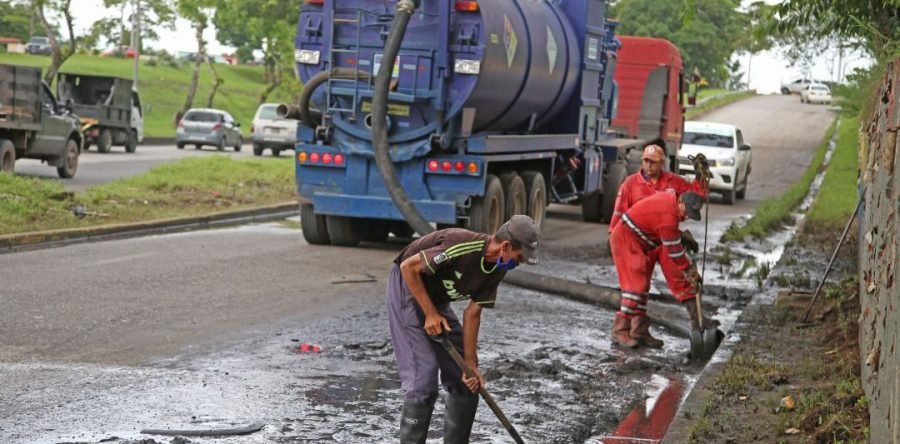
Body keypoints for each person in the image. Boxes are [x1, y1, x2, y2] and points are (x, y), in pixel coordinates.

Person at [387, 215, 541, 443]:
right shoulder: (460, 244)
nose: (517, 263)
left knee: (468, 380)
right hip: (407, 290)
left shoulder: (497, 269)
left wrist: (471, 365)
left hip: (435, 299)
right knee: (423, 380)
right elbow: (408, 267)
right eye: (519, 258)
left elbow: (472, 313)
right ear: (506, 246)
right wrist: (430, 313)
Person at [607, 143, 709, 348]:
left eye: (653, 162)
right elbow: (619, 213)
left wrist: (702, 179)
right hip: (637, 240)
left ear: (662, 163)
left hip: (656, 241)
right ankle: (622, 330)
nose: (648, 165)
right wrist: (612, 237)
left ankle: (642, 330)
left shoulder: (673, 184)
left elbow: (696, 197)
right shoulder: (631, 183)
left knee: (653, 284)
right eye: (646, 160)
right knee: (634, 286)